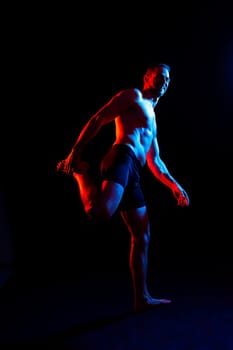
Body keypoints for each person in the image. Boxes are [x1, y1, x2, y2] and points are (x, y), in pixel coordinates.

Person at [56, 63, 190, 312]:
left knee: (142, 235)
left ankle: (141, 298)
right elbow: (99, 118)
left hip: (134, 172)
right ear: (147, 78)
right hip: (121, 158)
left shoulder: (152, 115)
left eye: (169, 79)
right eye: (160, 77)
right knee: (100, 213)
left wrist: (176, 186)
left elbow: (155, 161)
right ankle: (79, 173)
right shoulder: (133, 96)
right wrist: (75, 152)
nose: (165, 82)